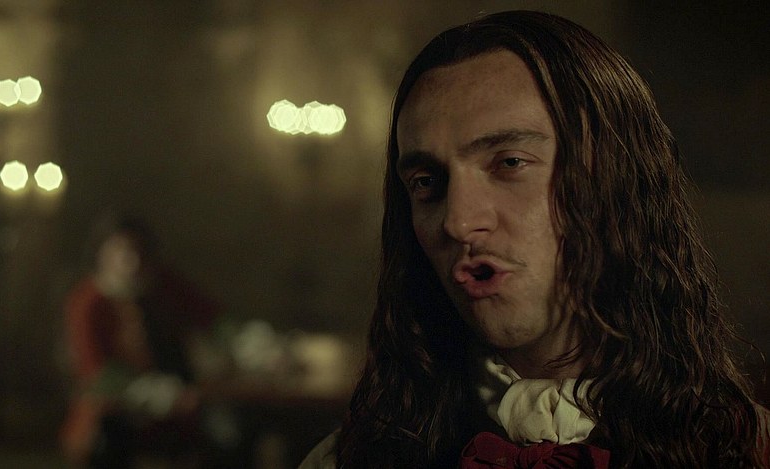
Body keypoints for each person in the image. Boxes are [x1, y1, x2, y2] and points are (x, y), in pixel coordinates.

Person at [299, 10, 769, 469]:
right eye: (426, 182)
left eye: (510, 162)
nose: (458, 223)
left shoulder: (747, 451)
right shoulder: (349, 459)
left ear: (615, 179)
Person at [60, 217, 217, 468]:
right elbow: (96, 373)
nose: (131, 260)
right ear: (102, 254)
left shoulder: (161, 287)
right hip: (111, 416)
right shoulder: (88, 301)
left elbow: (212, 319)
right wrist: (161, 395)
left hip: (175, 413)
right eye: (120, 250)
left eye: (137, 251)